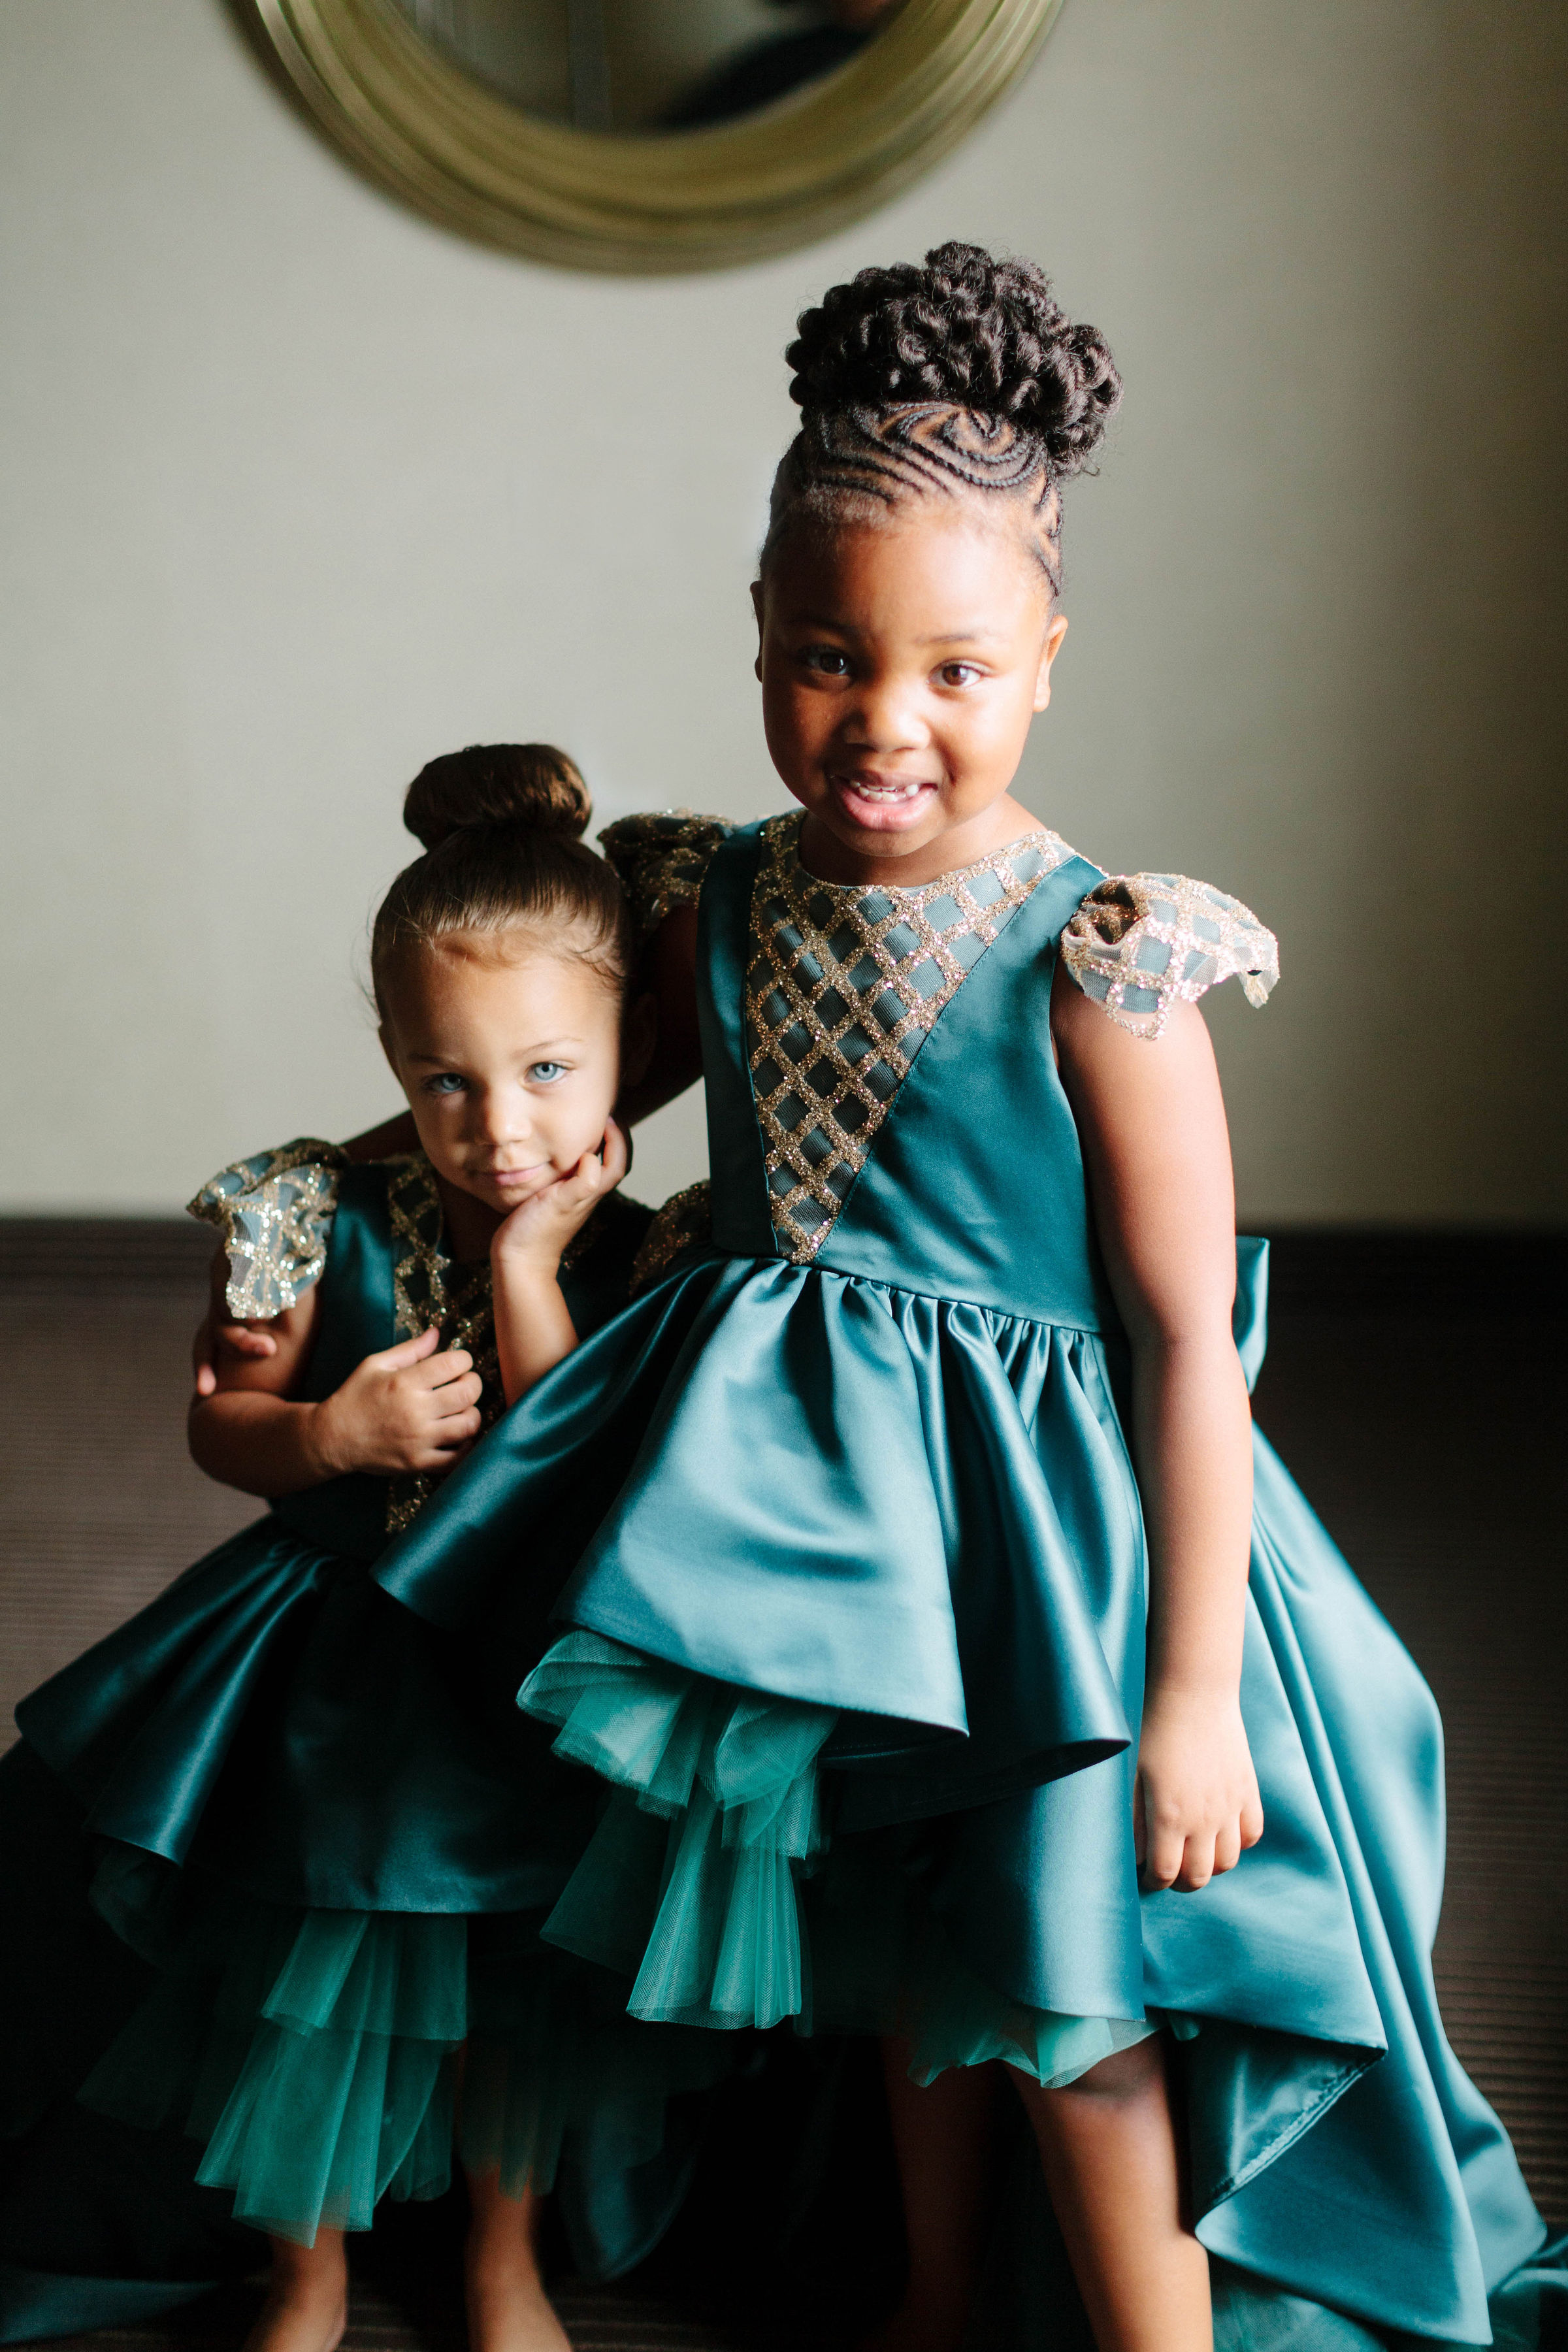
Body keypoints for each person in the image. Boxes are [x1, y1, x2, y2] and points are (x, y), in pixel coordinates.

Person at [372, 253, 1561, 2349]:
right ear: (760, 629)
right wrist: (392, 1197)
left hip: (1050, 1551)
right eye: (828, 658)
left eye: (957, 670)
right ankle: (933, 2303)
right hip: (806, 1529)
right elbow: (561, 1108)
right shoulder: (724, 898)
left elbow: (1186, 1346)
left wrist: (1192, 1694)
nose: (884, 723)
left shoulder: (1104, 965)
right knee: (911, 1946)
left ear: (1048, 663)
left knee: (1074, 2010)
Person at [0, 745, 725, 2352]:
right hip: (339, 1651)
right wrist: (329, 1438)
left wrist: (530, 1262)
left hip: (535, 1667)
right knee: (310, 1968)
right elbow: (224, 1429)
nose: (498, 1129)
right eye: (445, 1080)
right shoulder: (302, 1210)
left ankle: (502, 2258)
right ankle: (306, 2269)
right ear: (396, 1058)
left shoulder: (652, 1255)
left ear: (630, 1053)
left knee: (524, 1977)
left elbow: (565, 1462)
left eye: (549, 1071)